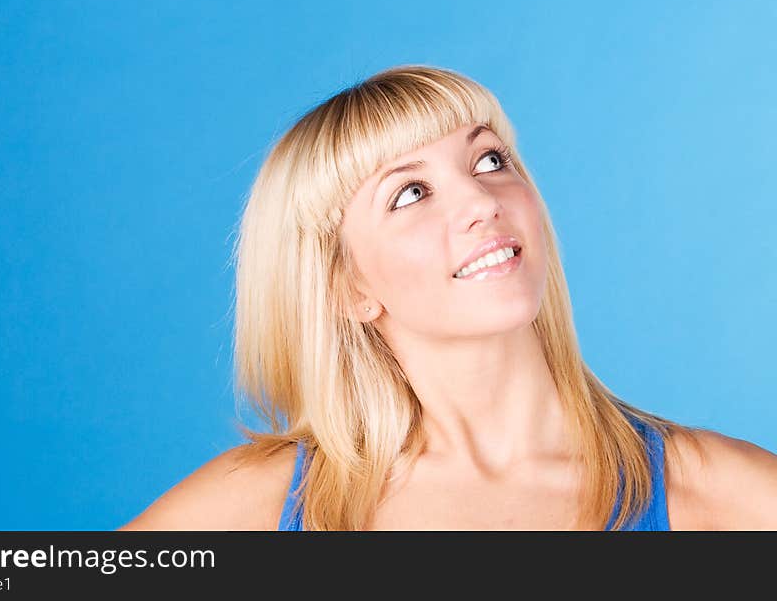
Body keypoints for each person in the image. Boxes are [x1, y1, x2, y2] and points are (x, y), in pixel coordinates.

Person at [119, 64, 777, 531]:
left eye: (490, 161)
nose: (480, 201)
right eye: (411, 193)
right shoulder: (259, 506)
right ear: (348, 287)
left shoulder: (726, 495)